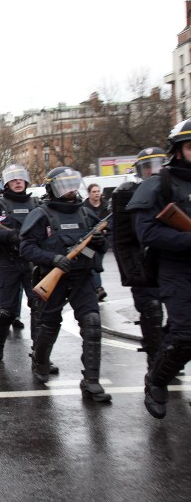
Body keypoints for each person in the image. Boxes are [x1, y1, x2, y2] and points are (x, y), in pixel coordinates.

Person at [20, 167, 111, 402]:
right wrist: (54, 259)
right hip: (54, 278)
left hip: (82, 278)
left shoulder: (86, 214)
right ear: (52, 188)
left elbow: (94, 250)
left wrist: (98, 243)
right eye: (64, 185)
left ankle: (91, 382)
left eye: (73, 184)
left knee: (92, 323)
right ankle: (40, 362)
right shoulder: (40, 214)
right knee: (49, 325)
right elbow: (27, 248)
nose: (70, 190)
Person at [128, 120, 191, 419]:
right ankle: (156, 380)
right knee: (185, 334)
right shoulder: (158, 184)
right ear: (177, 151)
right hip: (175, 267)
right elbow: (147, 234)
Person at [0, 164, 40, 362]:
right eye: (13, 179)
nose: (18, 182)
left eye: (20, 179)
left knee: (38, 307)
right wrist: (6, 235)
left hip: (32, 263)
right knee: (7, 310)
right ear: (7, 183)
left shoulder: (36, 204)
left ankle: (40, 353)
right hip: (8, 262)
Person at [111, 147, 165, 371]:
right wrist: (132, 270)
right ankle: (156, 363)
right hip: (143, 261)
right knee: (151, 309)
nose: (153, 171)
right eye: (147, 166)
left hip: (172, 260)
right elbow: (122, 239)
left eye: (157, 165)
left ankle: (168, 351)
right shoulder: (128, 193)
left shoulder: (173, 188)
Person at [82, 183, 109, 301]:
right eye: (94, 191)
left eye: (98, 191)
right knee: (94, 263)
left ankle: (95, 288)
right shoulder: (83, 208)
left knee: (96, 264)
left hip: (101, 242)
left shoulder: (106, 206)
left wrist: (107, 230)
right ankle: (98, 289)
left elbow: (111, 222)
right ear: (89, 193)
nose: (97, 193)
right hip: (87, 243)